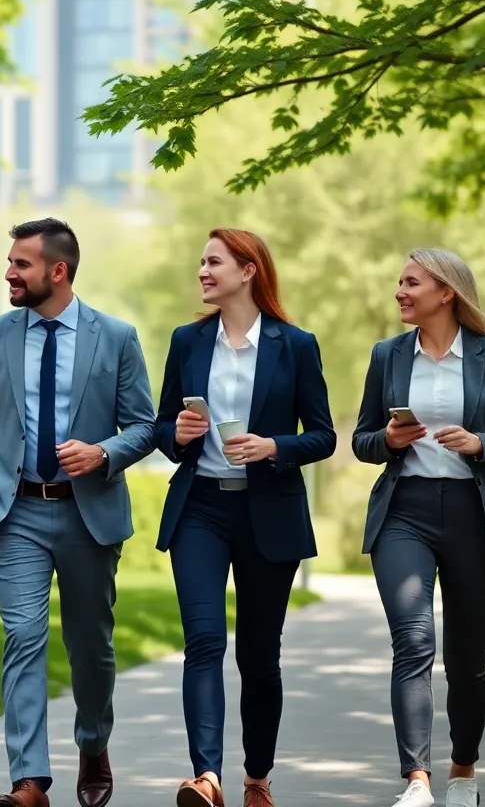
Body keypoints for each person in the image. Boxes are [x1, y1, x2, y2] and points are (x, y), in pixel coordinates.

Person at [0, 218, 156, 807]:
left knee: (90, 645)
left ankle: (93, 745)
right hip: (14, 511)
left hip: (87, 513)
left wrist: (103, 453)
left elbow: (145, 425)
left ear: (58, 270)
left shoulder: (115, 336)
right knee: (22, 635)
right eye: (11, 261)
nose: (9, 273)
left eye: (21, 263)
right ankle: (30, 781)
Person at [352, 249, 485, 807]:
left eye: (411, 282)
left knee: (467, 654)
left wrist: (483, 444)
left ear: (446, 292)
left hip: (473, 514)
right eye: (399, 282)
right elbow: (362, 439)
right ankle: (417, 780)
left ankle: (463, 772)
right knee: (412, 641)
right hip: (404, 512)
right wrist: (386, 441)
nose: (399, 291)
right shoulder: (388, 355)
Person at [155, 228, 336, 807]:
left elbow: (325, 436)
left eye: (213, 262)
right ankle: (205, 777)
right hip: (200, 509)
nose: (203, 272)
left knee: (259, 654)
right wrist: (177, 435)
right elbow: (164, 427)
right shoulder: (187, 341)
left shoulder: (296, 344)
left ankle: (256, 779)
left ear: (248, 269)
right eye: (202, 263)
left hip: (269, 513)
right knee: (203, 640)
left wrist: (274, 447)